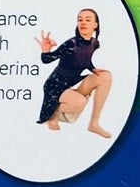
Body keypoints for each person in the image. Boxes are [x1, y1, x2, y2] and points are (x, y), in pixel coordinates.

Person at [37, 8, 113, 137]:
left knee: (105, 76)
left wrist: (93, 69)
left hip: (73, 81)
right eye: (80, 20)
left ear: (95, 25)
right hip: (56, 85)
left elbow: (85, 59)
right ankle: (52, 114)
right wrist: (45, 50)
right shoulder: (71, 44)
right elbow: (47, 59)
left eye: (88, 20)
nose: (83, 22)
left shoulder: (94, 43)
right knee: (80, 102)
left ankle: (94, 124)